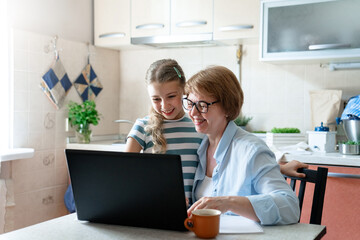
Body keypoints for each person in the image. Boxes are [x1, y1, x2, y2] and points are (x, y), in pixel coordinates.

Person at [183, 65, 300, 225]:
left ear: (227, 107)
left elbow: (289, 207)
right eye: (190, 103)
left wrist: (229, 203)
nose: (193, 113)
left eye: (202, 105)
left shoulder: (252, 150)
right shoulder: (198, 147)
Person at [125, 59, 204, 204]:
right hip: (153, 208)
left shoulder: (198, 127)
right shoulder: (142, 127)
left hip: (191, 213)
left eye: (171, 96)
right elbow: (124, 175)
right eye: (156, 99)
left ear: (184, 91)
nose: (164, 105)